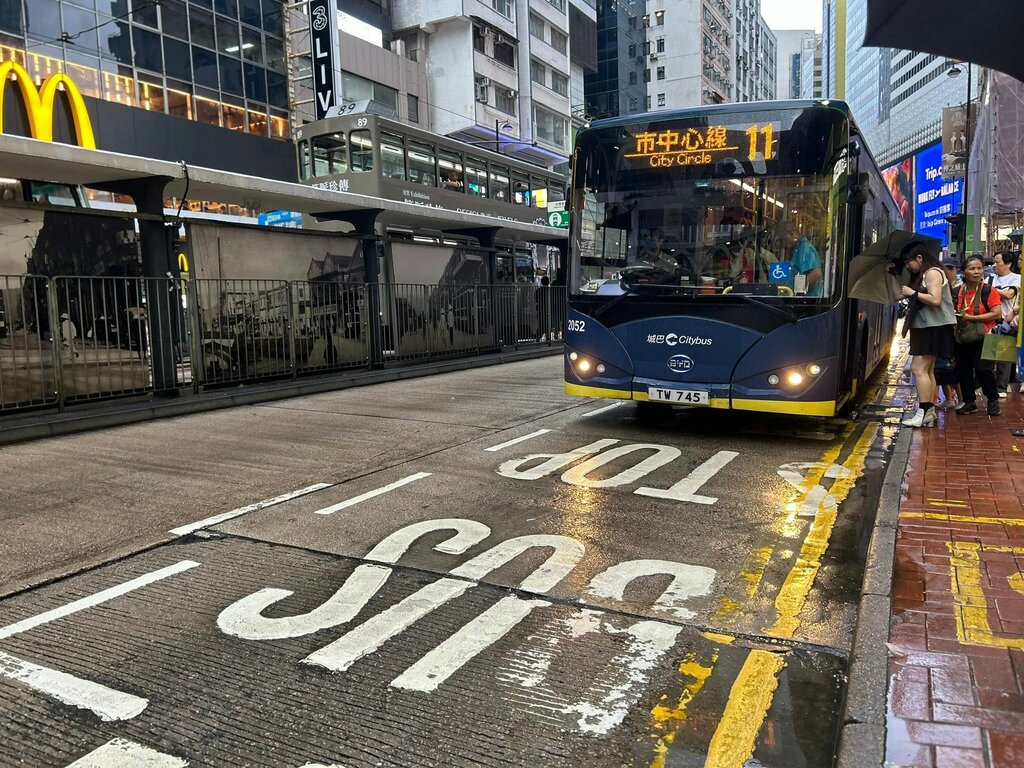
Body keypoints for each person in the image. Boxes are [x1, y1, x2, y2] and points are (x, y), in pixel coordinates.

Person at [899, 245, 956, 427]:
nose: (907, 266)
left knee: (918, 369)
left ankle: (922, 411)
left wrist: (912, 292)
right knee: (928, 369)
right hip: (928, 327)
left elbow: (935, 300)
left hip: (932, 328)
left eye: (908, 262)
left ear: (920, 258)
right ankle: (928, 411)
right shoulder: (924, 275)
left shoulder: (932, 273)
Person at [953, 255, 1003, 416]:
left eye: (979, 268)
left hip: (987, 336)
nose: (976, 272)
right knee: (964, 370)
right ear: (964, 272)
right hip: (963, 337)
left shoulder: (989, 290)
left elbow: (996, 314)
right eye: (971, 268)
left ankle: (993, 399)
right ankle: (969, 402)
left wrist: (972, 318)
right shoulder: (957, 291)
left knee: (983, 369)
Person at [990, 250, 1020, 395]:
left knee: (1003, 356)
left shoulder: (1017, 278)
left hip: (1007, 321)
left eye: (998, 262)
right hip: (990, 319)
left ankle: (1002, 387)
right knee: (990, 354)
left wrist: (991, 289)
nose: (995, 265)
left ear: (1008, 263)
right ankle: (992, 386)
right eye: (994, 262)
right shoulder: (991, 278)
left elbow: (1009, 295)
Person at [778, 222, 822, 296]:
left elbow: (816, 274)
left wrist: (797, 290)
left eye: (783, 240)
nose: (782, 244)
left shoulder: (804, 248)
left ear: (792, 234)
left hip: (805, 301)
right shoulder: (796, 249)